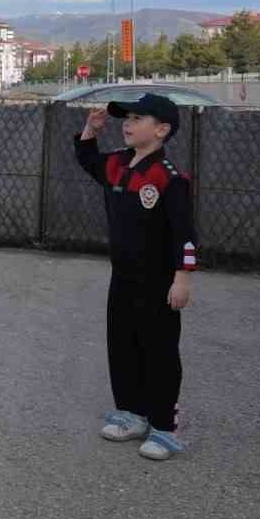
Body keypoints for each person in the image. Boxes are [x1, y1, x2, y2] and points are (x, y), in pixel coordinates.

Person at [74, 94, 197, 462]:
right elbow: (87, 159)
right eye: (125, 117)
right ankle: (131, 412)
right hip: (123, 276)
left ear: (161, 130)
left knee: (158, 352)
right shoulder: (117, 164)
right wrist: (90, 131)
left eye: (138, 118)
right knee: (123, 344)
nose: (127, 123)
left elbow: (183, 233)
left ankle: (164, 426)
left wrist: (182, 278)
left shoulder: (169, 178)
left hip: (158, 281)